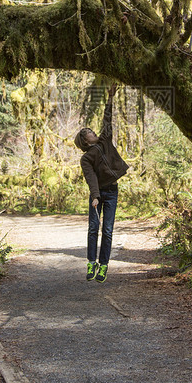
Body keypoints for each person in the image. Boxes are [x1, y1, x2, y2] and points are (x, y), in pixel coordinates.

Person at [73, 83, 129, 283]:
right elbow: (91, 178)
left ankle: (103, 265)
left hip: (112, 191)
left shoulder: (105, 140)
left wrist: (110, 98)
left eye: (90, 129)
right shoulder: (86, 158)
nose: (91, 131)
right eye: (87, 131)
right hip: (98, 194)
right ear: (85, 140)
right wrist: (95, 196)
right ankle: (91, 262)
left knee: (107, 229)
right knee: (93, 228)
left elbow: (107, 119)